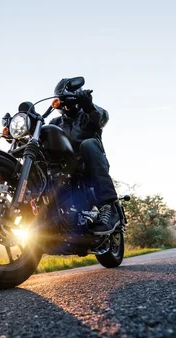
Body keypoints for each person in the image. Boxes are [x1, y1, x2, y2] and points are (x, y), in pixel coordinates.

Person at [50, 78, 120, 235]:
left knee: (87, 144)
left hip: (89, 166)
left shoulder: (88, 114)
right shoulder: (54, 123)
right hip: (66, 171)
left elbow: (101, 118)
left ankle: (109, 207)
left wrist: (88, 105)